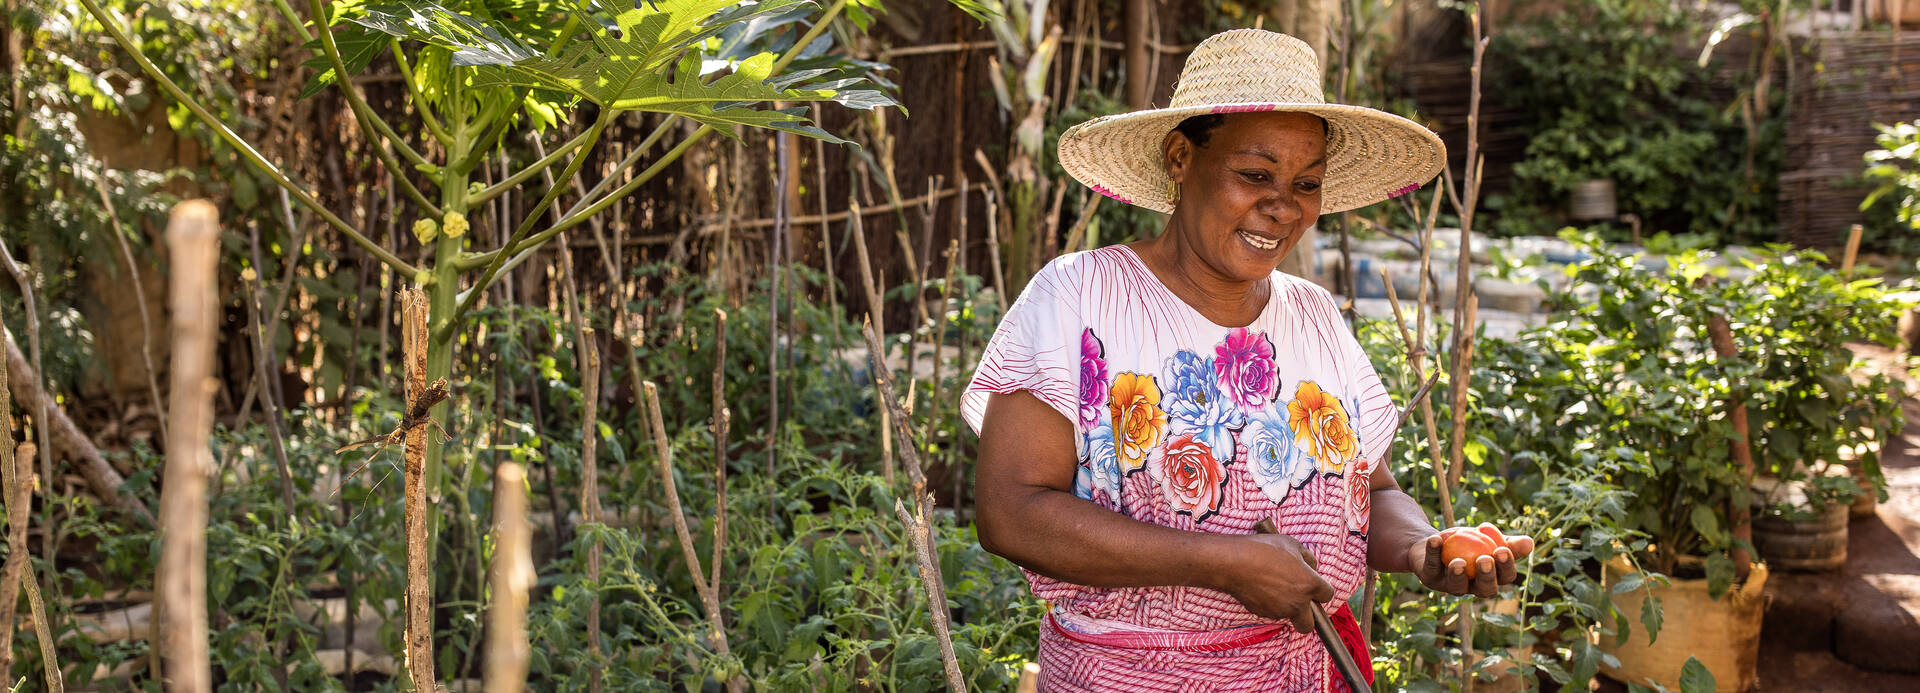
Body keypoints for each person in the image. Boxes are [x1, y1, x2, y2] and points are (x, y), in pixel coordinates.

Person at [962, 29, 1535, 692]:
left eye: (1306, 182)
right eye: (1255, 175)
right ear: (1181, 157)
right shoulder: (1080, 296)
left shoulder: (1313, 315)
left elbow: (1372, 493)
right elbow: (1010, 510)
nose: (1283, 205)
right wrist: (1223, 562)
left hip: (1305, 671)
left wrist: (1424, 548)